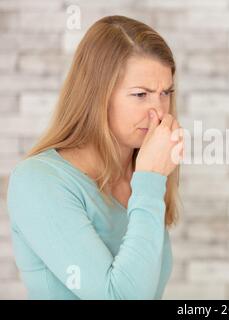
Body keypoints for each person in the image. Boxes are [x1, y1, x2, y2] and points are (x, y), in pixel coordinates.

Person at [7, 15, 183, 299]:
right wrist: (150, 182)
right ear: (96, 96)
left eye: (166, 93)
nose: (159, 112)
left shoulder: (140, 173)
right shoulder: (38, 182)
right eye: (140, 94)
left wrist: (148, 180)